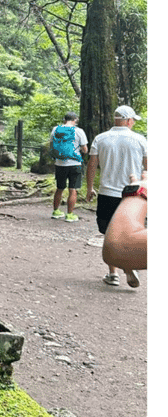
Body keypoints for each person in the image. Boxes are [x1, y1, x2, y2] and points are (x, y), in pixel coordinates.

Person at [85, 105, 147, 287]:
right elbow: (148, 168)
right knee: (133, 231)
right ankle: (129, 265)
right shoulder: (140, 140)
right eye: (133, 120)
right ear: (128, 121)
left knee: (109, 234)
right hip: (133, 195)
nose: (134, 123)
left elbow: (91, 165)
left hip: (107, 192)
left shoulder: (100, 138)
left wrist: (90, 188)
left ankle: (113, 274)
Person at [103, 172, 147, 273]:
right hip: (112, 191)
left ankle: (114, 273)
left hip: (110, 191)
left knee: (109, 230)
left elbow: (117, 244)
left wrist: (141, 189)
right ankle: (127, 269)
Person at [50, 112, 88, 222]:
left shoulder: (55, 129)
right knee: (73, 189)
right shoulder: (79, 131)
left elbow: (52, 145)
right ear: (75, 120)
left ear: (64, 119)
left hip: (60, 163)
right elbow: (85, 149)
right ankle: (70, 214)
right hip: (75, 164)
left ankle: (56, 211)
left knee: (60, 188)